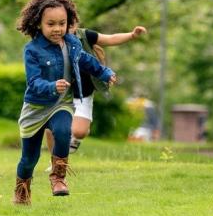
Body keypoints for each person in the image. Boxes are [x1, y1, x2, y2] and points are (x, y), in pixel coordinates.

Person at [13, 0, 116, 205]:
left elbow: (87, 60)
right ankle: (22, 191)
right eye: (51, 24)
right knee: (29, 159)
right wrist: (52, 86)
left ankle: (58, 178)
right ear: (38, 23)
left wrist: (104, 73)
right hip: (36, 107)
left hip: (62, 103)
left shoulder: (72, 43)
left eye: (62, 23)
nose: (57, 28)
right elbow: (33, 82)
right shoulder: (32, 50)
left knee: (62, 131)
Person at [45, 22, 147, 156]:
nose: (65, 28)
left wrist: (132, 35)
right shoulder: (51, 38)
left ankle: (77, 135)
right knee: (51, 128)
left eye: (70, 24)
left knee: (79, 132)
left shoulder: (85, 35)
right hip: (60, 93)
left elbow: (110, 38)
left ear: (76, 24)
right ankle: (56, 161)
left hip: (83, 94)